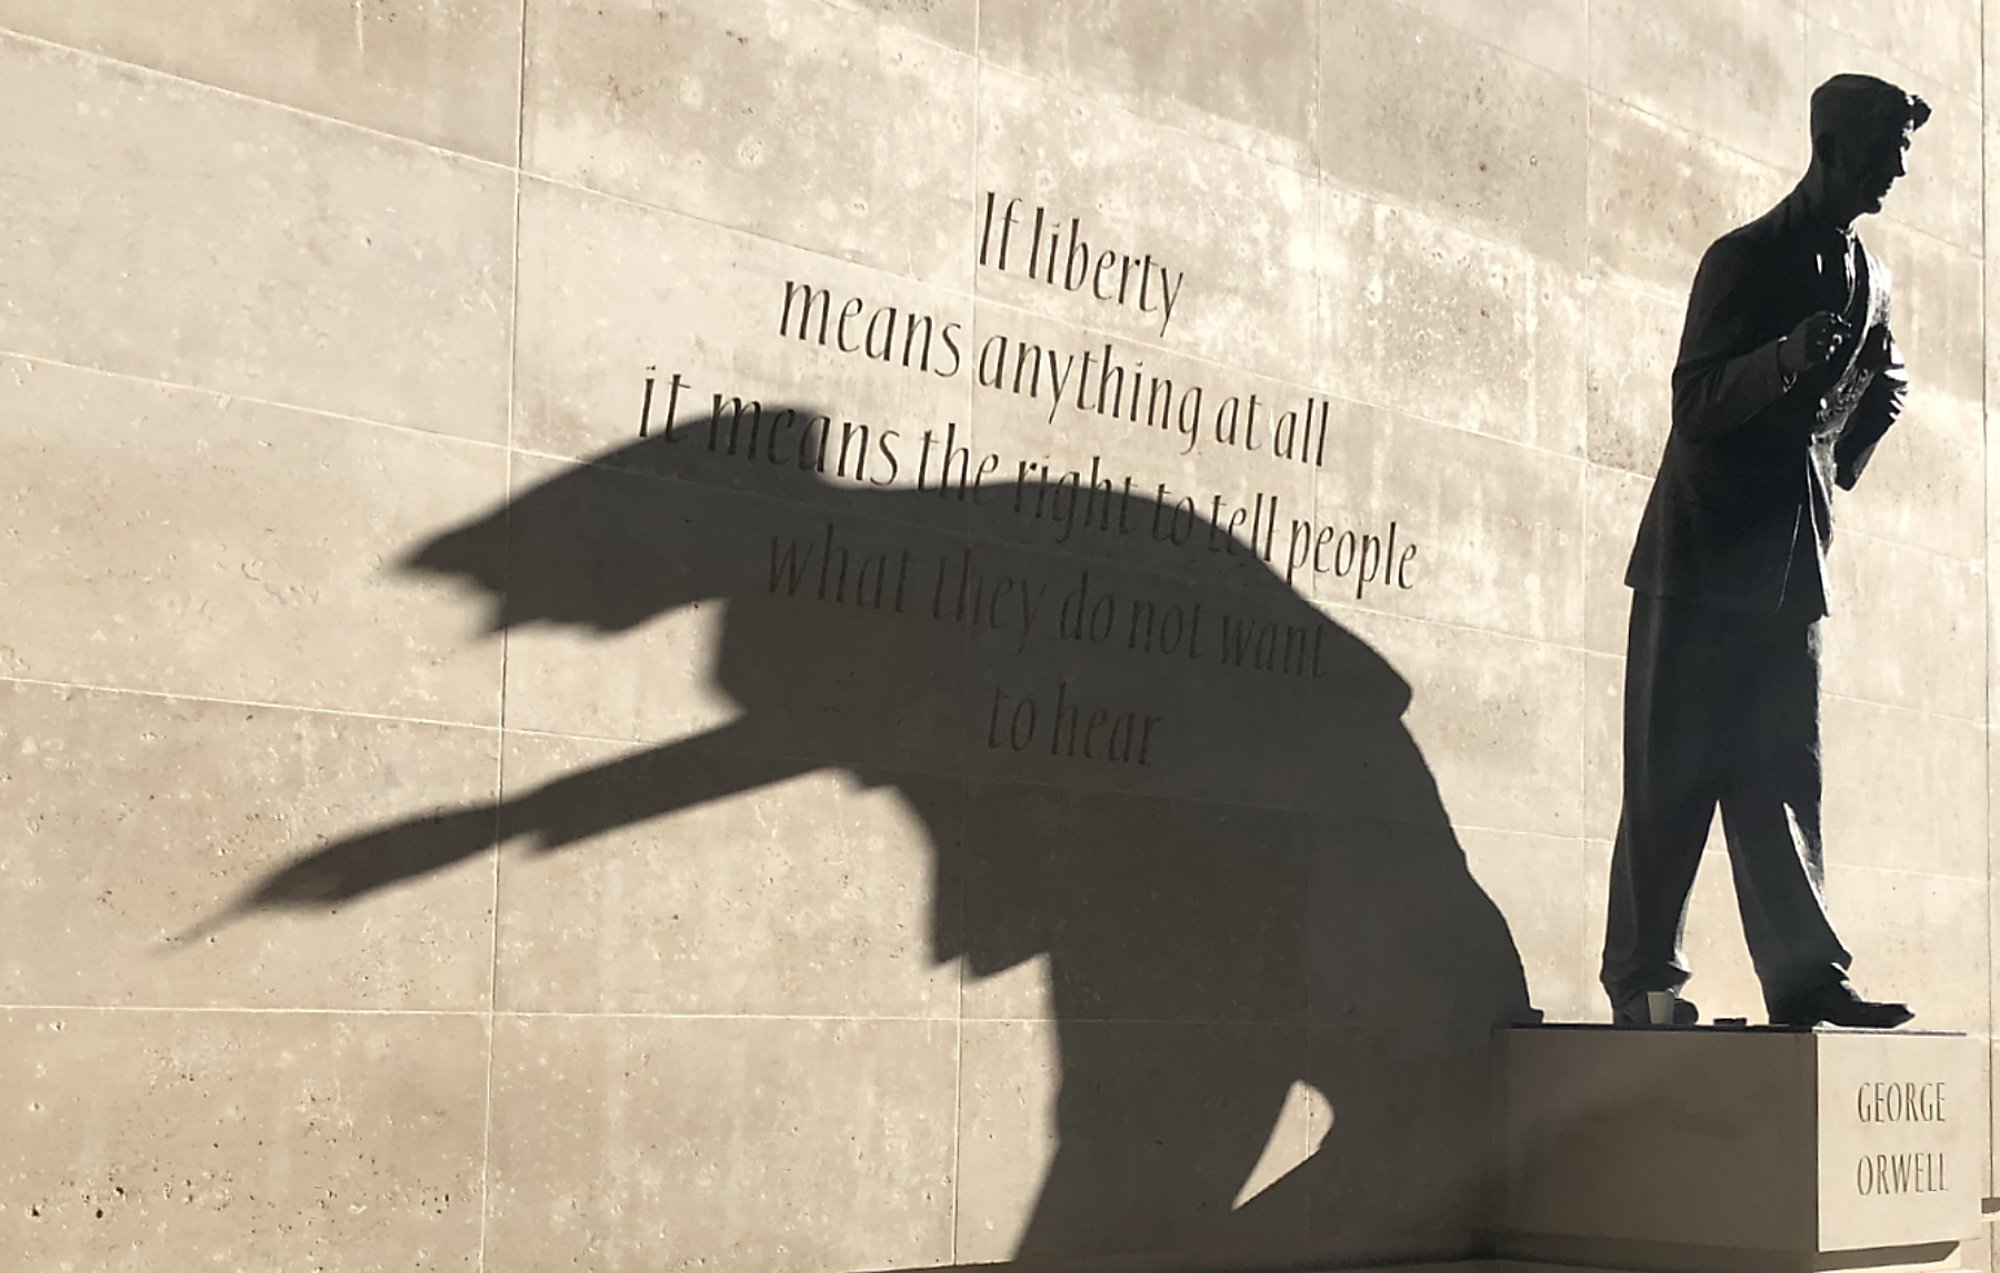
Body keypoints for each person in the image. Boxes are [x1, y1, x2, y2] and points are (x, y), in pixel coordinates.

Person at [1601, 74, 1929, 1029]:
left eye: (1903, 151)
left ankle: (1804, 977)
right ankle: (1644, 981)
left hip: (1794, 567)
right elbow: (1694, 402)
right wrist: (1782, 359)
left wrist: (1862, 427)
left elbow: (1857, 421)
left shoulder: (1876, 277)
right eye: (1885, 150)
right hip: (1701, 559)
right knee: (1673, 770)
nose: (1898, 171)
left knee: (1785, 771)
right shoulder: (1742, 259)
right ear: (1831, 146)